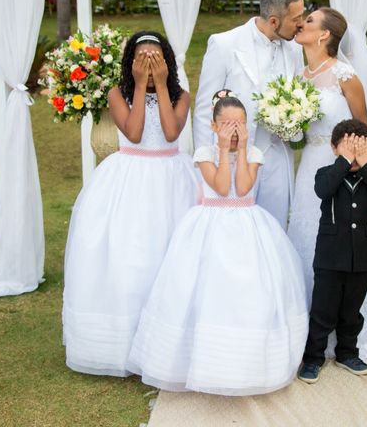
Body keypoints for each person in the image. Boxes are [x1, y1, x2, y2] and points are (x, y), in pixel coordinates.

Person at [128, 91, 309, 395]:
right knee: (205, 291)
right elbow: (222, 188)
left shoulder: (254, 155)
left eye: (239, 124)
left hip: (248, 226)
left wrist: (241, 149)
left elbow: (242, 187)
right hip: (209, 225)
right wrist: (224, 151)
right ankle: (202, 362)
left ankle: (249, 362)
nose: (234, 130)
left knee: (249, 293)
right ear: (214, 127)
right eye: (226, 124)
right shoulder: (204, 154)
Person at [62, 31, 198, 376]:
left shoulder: (181, 96)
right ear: (131, 63)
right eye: (142, 58)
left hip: (172, 179)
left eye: (156, 57)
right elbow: (134, 133)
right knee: (131, 257)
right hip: (130, 180)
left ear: (167, 61)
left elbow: (170, 133)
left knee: (170, 253)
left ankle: (166, 342)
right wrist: (139, 86)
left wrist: (163, 86)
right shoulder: (116, 94)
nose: (149, 65)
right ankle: (123, 342)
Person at [287, 7, 367, 359]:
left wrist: (363, 172)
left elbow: (364, 125)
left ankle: (348, 334)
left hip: (342, 167)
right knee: (306, 236)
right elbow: (297, 133)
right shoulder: (299, 76)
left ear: (325, 35)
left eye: (309, 21)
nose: (301, 24)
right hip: (309, 167)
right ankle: (307, 326)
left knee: (340, 241)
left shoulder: (345, 75)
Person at [193, 0, 305, 228]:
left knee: (274, 230)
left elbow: (299, 97)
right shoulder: (224, 45)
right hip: (231, 161)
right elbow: (203, 110)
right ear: (274, 20)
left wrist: (294, 125)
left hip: (277, 158)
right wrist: (206, 165)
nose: (301, 24)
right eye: (296, 18)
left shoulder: (295, 50)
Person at [298, 120, 367, 384]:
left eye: (359, 146)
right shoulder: (326, 173)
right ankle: (313, 357)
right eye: (347, 146)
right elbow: (323, 190)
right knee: (322, 309)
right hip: (329, 257)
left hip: (359, 258)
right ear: (333, 147)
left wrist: (366, 162)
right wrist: (345, 159)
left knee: (352, 310)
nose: (353, 153)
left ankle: (347, 352)